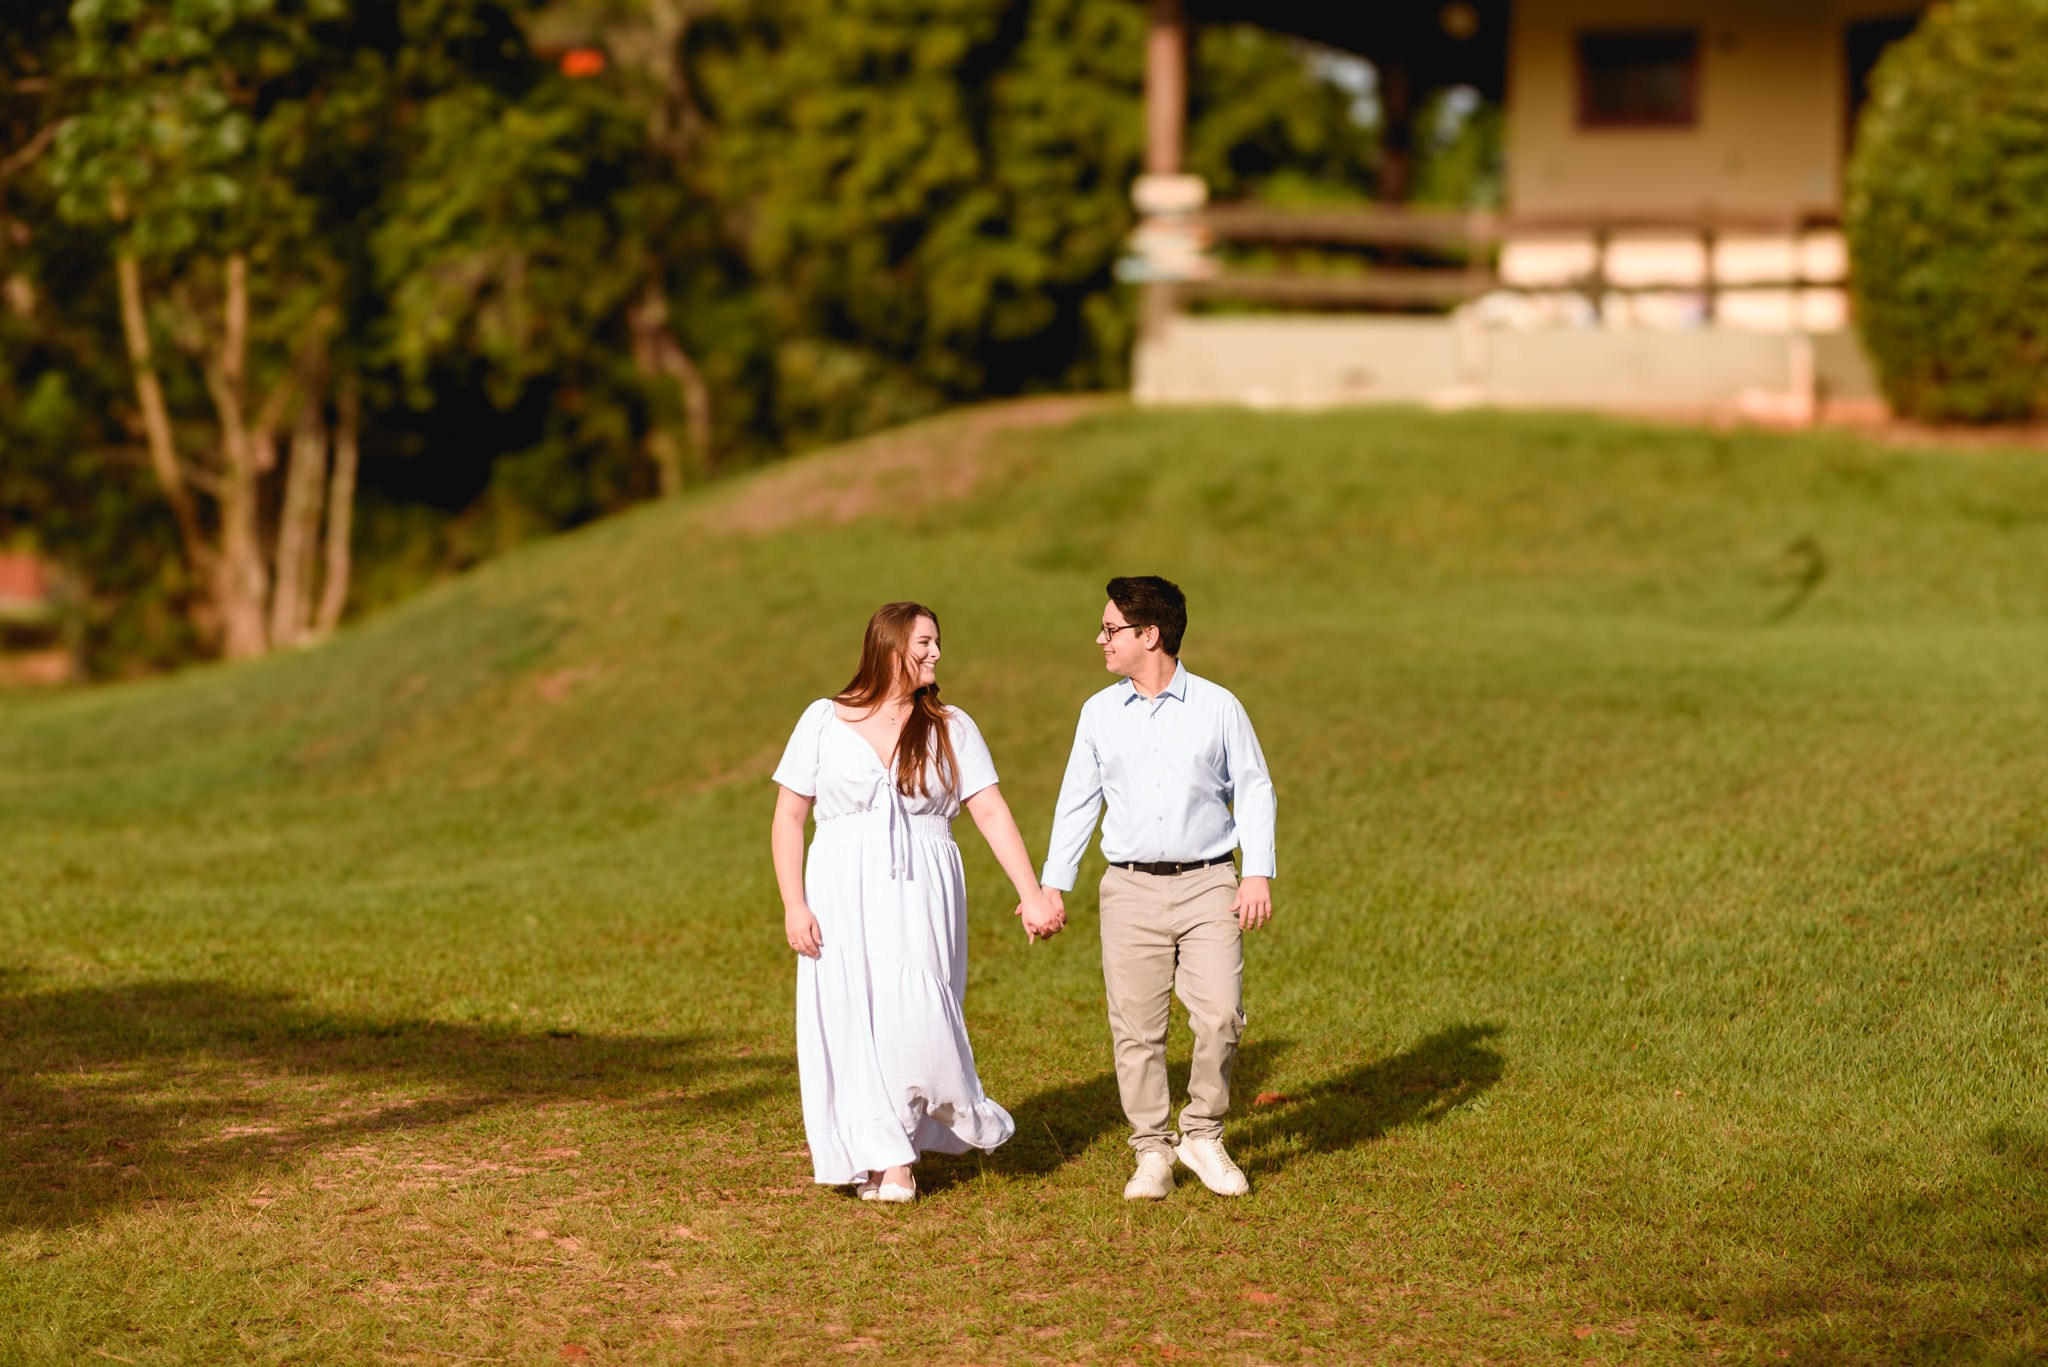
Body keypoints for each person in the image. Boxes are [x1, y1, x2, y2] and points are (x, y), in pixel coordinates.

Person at [771, 601, 1065, 1204]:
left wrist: (1030, 892)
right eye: (924, 642)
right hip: (839, 885)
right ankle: (889, 1160)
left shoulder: (952, 725)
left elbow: (989, 809)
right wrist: (793, 903)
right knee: (852, 1016)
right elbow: (788, 816)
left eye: (937, 642)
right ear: (889, 647)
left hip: (924, 886)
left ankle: (910, 1136)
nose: (936, 653)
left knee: (916, 1010)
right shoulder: (823, 720)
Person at [1035, 576, 1276, 1201]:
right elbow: (1075, 804)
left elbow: (1253, 787)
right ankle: (1152, 1151)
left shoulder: (1219, 705)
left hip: (1209, 886)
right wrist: (1053, 886)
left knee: (1221, 1015)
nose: (1101, 640)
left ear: (1151, 634)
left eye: (1111, 629)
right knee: (1137, 1031)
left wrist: (1257, 871)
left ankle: (1202, 1133)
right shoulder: (1098, 713)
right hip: (1130, 891)